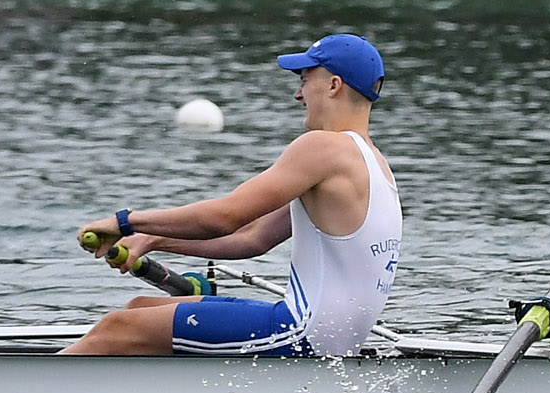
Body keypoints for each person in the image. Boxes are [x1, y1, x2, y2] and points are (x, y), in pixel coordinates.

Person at [61, 35, 403, 357]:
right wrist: (152, 240)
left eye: (304, 79)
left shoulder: (324, 148)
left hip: (301, 334)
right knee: (140, 309)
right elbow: (251, 239)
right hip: (327, 337)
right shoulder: (374, 165)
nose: (298, 95)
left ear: (333, 85)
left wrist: (126, 222)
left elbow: (224, 218)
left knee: (117, 327)